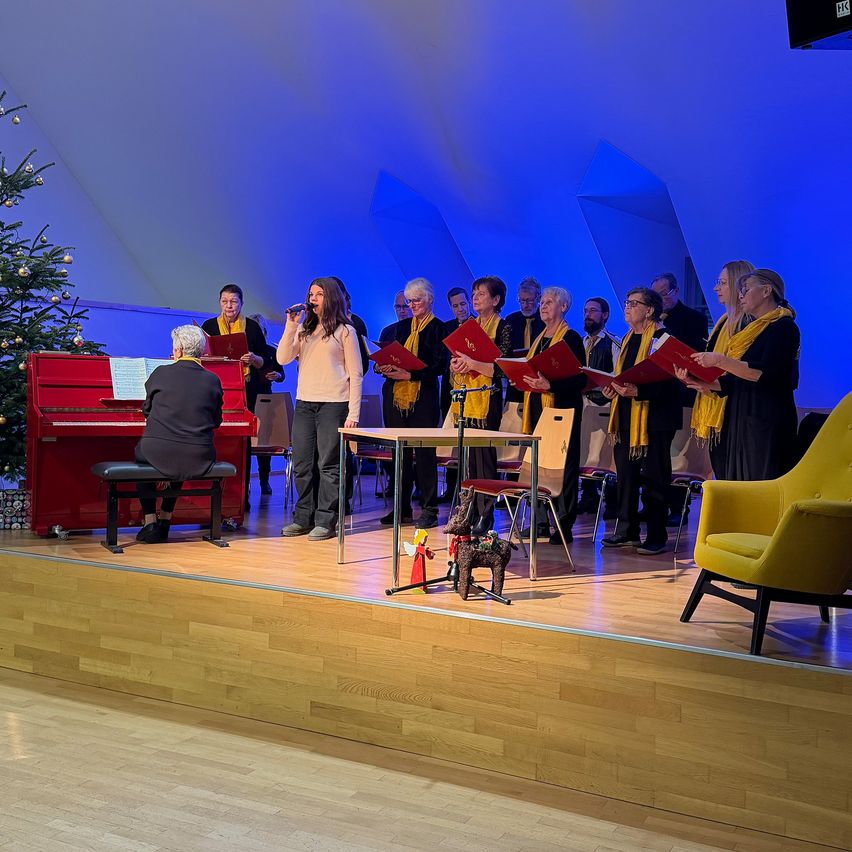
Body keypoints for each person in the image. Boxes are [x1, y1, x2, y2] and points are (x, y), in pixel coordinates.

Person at [679, 268, 799, 481]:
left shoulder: (783, 327)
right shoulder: (751, 330)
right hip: (740, 416)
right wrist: (700, 381)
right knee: (735, 481)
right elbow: (734, 380)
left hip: (765, 418)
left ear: (766, 291)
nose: (740, 295)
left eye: (745, 289)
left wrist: (720, 360)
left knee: (758, 484)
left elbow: (763, 373)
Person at [277, 277, 363, 541]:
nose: (312, 298)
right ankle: (303, 517)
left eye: (319, 294)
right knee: (302, 463)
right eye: (311, 294)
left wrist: (353, 414)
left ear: (331, 298)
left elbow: (356, 374)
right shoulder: (303, 330)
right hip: (305, 403)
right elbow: (282, 358)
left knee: (328, 464)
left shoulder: (345, 331)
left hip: (333, 404)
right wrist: (290, 326)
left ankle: (326, 520)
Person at [601, 287, 682, 555]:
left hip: (656, 419)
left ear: (649, 310)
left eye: (633, 303)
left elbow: (672, 383)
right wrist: (611, 388)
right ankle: (627, 531)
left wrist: (639, 391)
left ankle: (656, 535)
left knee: (654, 478)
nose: (627, 307)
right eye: (627, 302)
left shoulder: (664, 339)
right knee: (626, 476)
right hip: (626, 416)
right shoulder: (627, 338)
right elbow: (623, 375)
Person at [134, 325, 223, 544]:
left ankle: (149, 521)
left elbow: (147, 411)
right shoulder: (213, 380)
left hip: (157, 451)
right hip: (198, 454)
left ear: (179, 350)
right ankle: (166, 518)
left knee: (143, 454)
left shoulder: (160, 373)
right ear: (200, 351)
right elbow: (216, 421)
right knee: (184, 452)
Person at [377, 277, 447, 529]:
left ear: (430, 299)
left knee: (425, 454)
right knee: (400, 454)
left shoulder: (439, 329)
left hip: (423, 397)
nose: (413, 305)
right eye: (409, 301)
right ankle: (401, 507)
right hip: (395, 396)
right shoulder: (399, 328)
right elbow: (389, 356)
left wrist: (410, 375)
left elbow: (440, 366)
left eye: (417, 300)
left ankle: (429, 509)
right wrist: (383, 366)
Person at [519, 287, 587, 544]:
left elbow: (580, 380)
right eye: (542, 302)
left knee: (564, 468)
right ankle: (539, 522)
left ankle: (563, 524)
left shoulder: (571, 338)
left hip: (562, 410)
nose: (543, 306)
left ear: (563, 307)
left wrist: (551, 386)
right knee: (539, 465)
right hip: (539, 409)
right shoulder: (540, 336)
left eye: (549, 302)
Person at [447, 276, 513, 533]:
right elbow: (458, 357)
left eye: (481, 294)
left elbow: (502, 368)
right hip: (467, 397)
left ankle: (486, 513)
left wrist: (472, 363)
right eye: (474, 293)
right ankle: (469, 510)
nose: (475, 298)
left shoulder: (504, 327)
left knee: (484, 457)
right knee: (469, 459)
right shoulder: (469, 325)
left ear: (496, 300)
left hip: (488, 398)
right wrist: (456, 364)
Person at [202, 284, 275, 506]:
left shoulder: (252, 328)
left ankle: (241, 498)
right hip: (215, 391)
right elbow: (202, 358)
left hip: (245, 392)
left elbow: (265, 362)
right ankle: (213, 496)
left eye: (233, 301)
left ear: (242, 303)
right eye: (224, 301)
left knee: (243, 443)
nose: (229, 306)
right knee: (215, 439)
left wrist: (254, 359)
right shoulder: (209, 326)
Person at [683, 261, 754, 479]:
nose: (716, 288)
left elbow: (741, 368)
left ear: (739, 286)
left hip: (735, 408)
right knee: (720, 471)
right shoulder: (723, 321)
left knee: (733, 476)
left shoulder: (749, 323)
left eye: (722, 283)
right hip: (715, 398)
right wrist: (690, 373)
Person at [578, 297, 621, 515]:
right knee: (585, 452)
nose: (588, 315)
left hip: (604, 404)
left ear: (605, 315)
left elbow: (617, 374)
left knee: (605, 454)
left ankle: (612, 500)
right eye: (586, 310)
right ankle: (588, 497)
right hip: (583, 405)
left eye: (593, 311)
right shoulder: (580, 342)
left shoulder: (613, 343)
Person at [438, 286, 473, 502]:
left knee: (468, 441)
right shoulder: (447, 328)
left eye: (463, 304)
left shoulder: (476, 325)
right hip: (450, 388)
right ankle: (451, 489)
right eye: (455, 305)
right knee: (451, 439)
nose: (460, 309)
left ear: (469, 302)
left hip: (470, 389)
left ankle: (468, 489)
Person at [247, 313, 285, 496]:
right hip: (246, 397)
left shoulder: (271, 350)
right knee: (245, 442)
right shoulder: (244, 353)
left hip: (265, 398)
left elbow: (281, 374)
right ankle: (244, 481)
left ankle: (264, 480)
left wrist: (277, 376)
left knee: (264, 440)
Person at [504, 277, 545, 405]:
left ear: (538, 298)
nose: (525, 305)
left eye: (529, 300)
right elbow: (505, 351)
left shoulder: (546, 320)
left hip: (540, 382)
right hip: (515, 384)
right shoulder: (511, 320)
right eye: (522, 300)